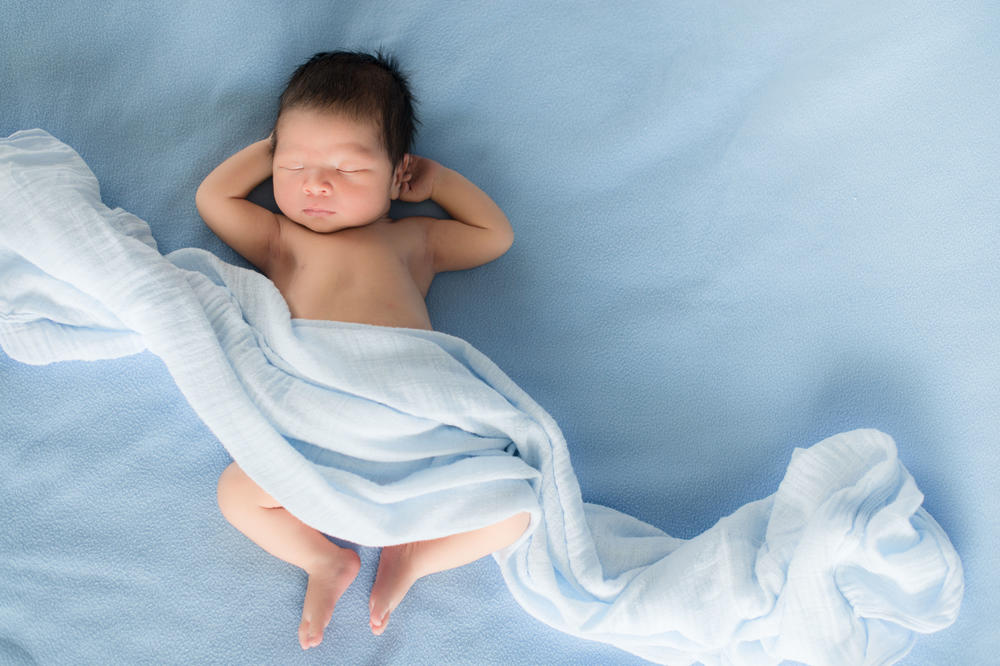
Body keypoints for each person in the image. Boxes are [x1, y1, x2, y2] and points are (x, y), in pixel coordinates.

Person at [196, 51, 530, 651]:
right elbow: (214, 200)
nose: (317, 183)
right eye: (295, 165)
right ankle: (325, 561)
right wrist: (271, 148)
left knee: (517, 511)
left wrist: (439, 183)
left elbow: (495, 237)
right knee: (237, 494)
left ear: (397, 176)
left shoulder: (414, 241)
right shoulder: (280, 240)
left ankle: (415, 556)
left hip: (412, 418)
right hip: (320, 423)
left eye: (348, 170)